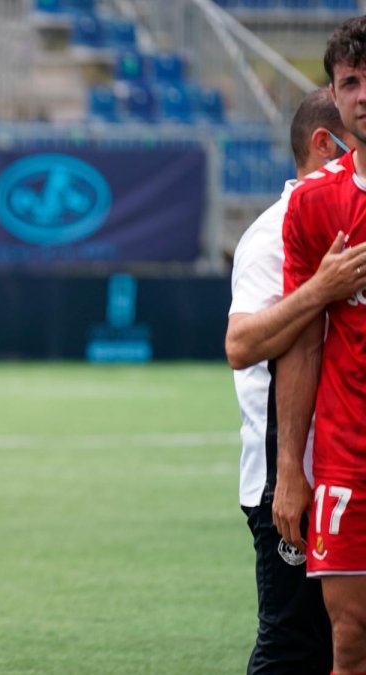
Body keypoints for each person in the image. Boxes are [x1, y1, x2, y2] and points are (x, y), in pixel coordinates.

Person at [226, 87, 366, 675]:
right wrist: (319, 289)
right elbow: (242, 344)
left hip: (342, 463)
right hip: (291, 478)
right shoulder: (273, 231)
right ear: (324, 142)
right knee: (293, 647)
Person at [275, 16, 366, 675]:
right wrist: (288, 470)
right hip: (348, 457)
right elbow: (301, 347)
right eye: (350, 81)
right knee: (350, 636)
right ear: (335, 98)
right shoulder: (311, 205)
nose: (363, 93)